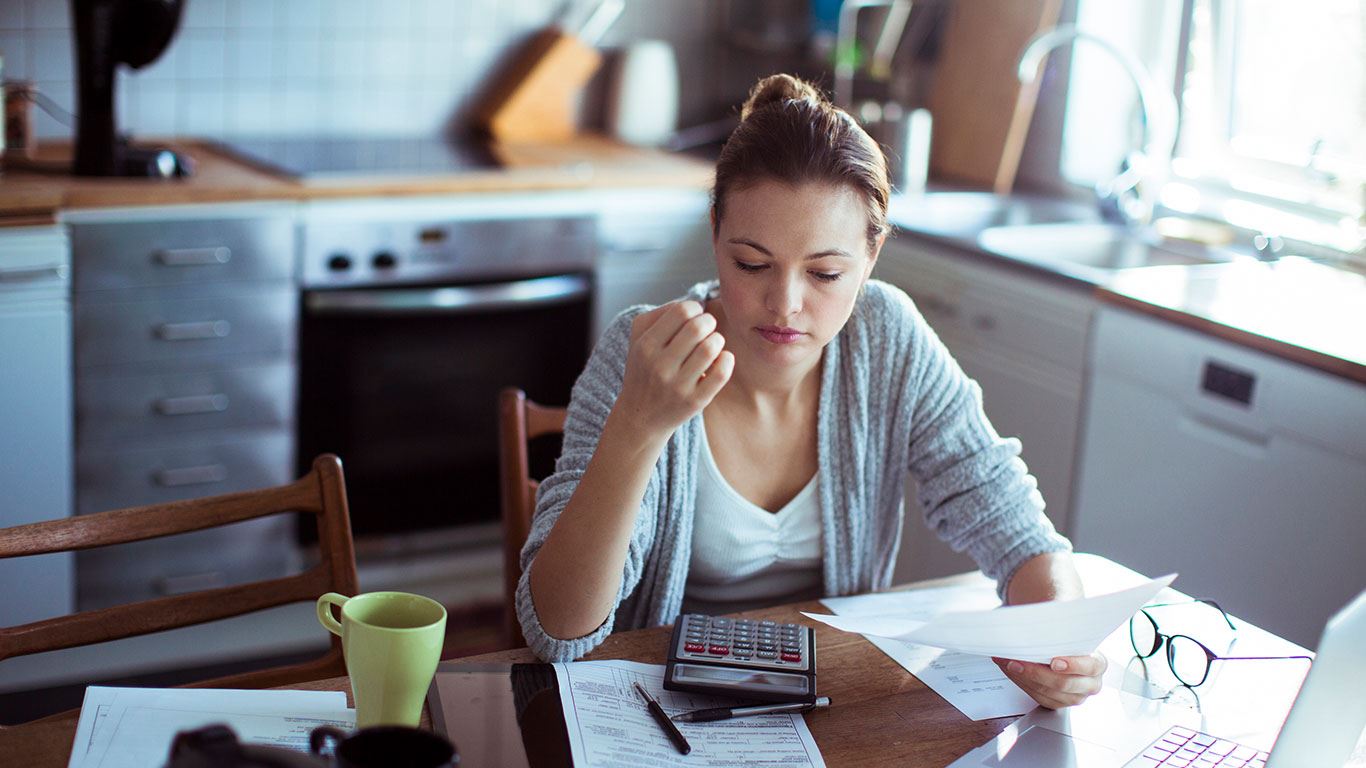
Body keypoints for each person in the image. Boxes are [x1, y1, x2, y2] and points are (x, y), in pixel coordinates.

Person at [516, 74, 1106, 709]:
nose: (785, 305)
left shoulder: (888, 337)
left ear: (871, 253)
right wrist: (638, 425)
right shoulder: (644, 354)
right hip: (655, 713)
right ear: (715, 231)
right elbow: (556, 632)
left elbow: (1018, 531)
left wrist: (1058, 641)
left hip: (830, 708)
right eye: (752, 264)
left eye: (825, 272)